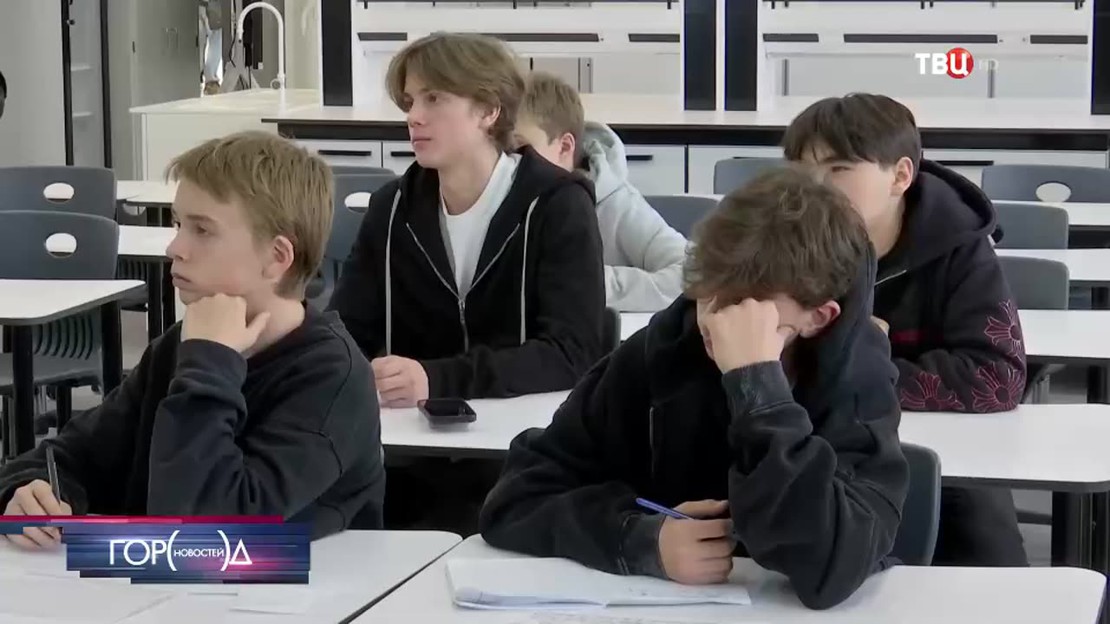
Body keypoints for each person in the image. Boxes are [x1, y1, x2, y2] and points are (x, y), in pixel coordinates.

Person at [480, 167, 909, 610]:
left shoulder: (860, 381)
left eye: (742, 305)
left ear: (818, 317)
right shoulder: (662, 351)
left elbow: (829, 568)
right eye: (708, 290)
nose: (712, 319)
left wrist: (758, 387)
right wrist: (640, 539)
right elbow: (516, 498)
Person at [0, 131, 385, 548]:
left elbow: (203, 533)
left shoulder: (332, 379)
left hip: (301, 590)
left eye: (202, 230)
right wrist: (31, 492)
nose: (174, 247)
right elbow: (71, 456)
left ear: (277, 258)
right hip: (167, 584)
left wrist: (210, 362)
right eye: (178, 224)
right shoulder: (180, 347)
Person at [782, 92, 1028, 567]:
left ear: (900, 176)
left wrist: (865, 365)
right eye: (800, 170)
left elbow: (997, 377)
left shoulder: (959, 247)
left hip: (949, 459)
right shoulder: (781, 243)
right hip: (814, 449)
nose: (813, 188)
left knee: (989, 569)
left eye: (838, 169)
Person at [329, 34, 605, 407]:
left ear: (489, 110)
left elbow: (572, 353)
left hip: (527, 430)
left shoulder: (559, 206)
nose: (413, 116)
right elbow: (344, 334)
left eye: (434, 98)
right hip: (408, 432)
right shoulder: (390, 210)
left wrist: (437, 379)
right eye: (410, 102)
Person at [513, 71, 687, 312]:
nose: (508, 162)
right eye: (499, 149)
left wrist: (587, 281)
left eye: (520, 149)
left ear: (564, 147)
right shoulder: (496, 201)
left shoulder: (619, 206)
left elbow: (690, 277)